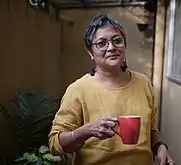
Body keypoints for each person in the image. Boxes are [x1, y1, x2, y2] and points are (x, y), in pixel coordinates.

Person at [48, 13, 174, 165]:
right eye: (101, 43)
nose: (111, 47)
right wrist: (87, 130)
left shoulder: (143, 83)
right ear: (90, 53)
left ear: (124, 44)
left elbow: (151, 130)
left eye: (117, 40)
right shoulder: (78, 90)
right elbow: (55, 143)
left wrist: (160, 147)